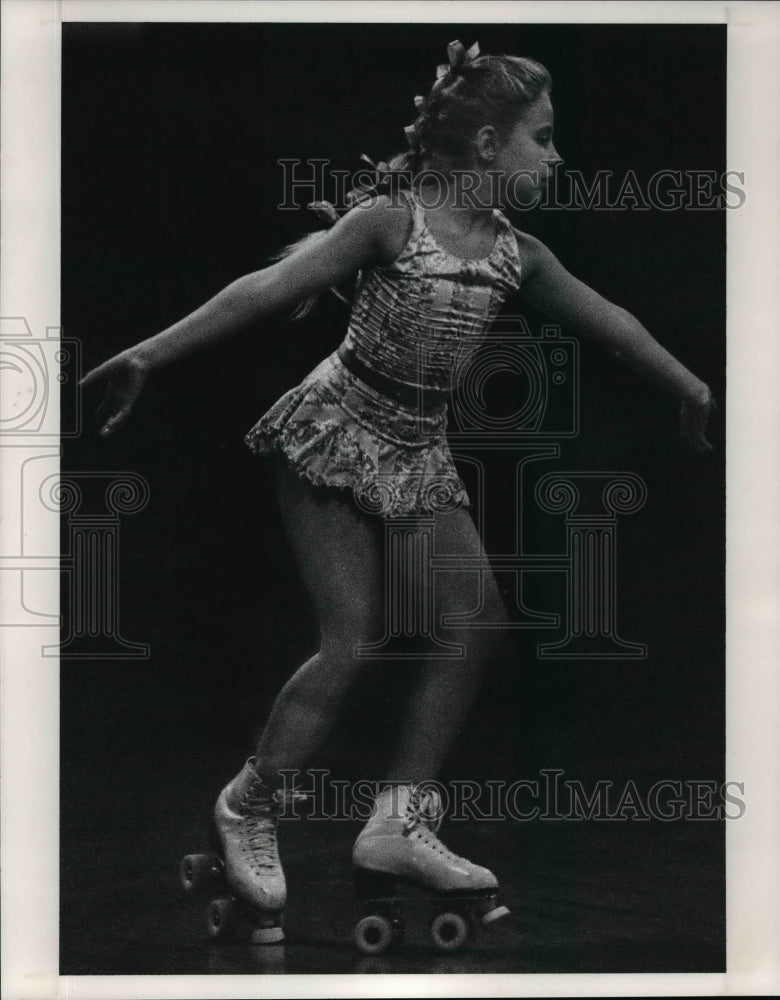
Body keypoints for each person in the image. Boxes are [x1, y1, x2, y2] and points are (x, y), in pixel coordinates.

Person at [80, 40, 716, 942]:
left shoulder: (517, 257)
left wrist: (690, 385)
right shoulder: (392, 221)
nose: (557, 157)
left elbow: (615, 323)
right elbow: (265, 289)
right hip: (334, 434)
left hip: (417, 449)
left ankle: (397, 821)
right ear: (489, 144)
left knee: (479, 616)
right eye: (544, 138)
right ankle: (246, 806)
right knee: (353, 638)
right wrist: (148, 351)